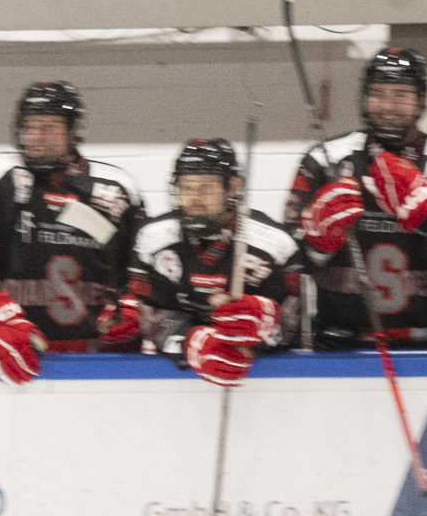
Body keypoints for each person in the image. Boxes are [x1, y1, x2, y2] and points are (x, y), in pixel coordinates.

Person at [283, 49, 427, 350]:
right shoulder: (324, 160)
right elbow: (288, 261)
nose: (388, 106)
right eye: (377, 94)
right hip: (342, 342)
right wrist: (316, 244)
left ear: (422, 100)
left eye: (401, 95)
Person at [0, 82, 145, 386]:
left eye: (48, 128)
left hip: (92, 362)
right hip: (9, 350)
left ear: (73, 131)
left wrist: (133, 309)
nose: (35, 137)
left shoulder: (116, 189)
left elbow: (142, 277)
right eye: (30, 127)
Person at [120, 140, 306, 385]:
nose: (195, 198)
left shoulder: (276, 245)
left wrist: (266, 326)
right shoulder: (152, 240)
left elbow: (295, 327)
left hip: (257, 381)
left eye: (206, 188)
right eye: (186, 187)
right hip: (180, 380)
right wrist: (191, 342)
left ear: (233, 186)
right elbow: (149, 318)